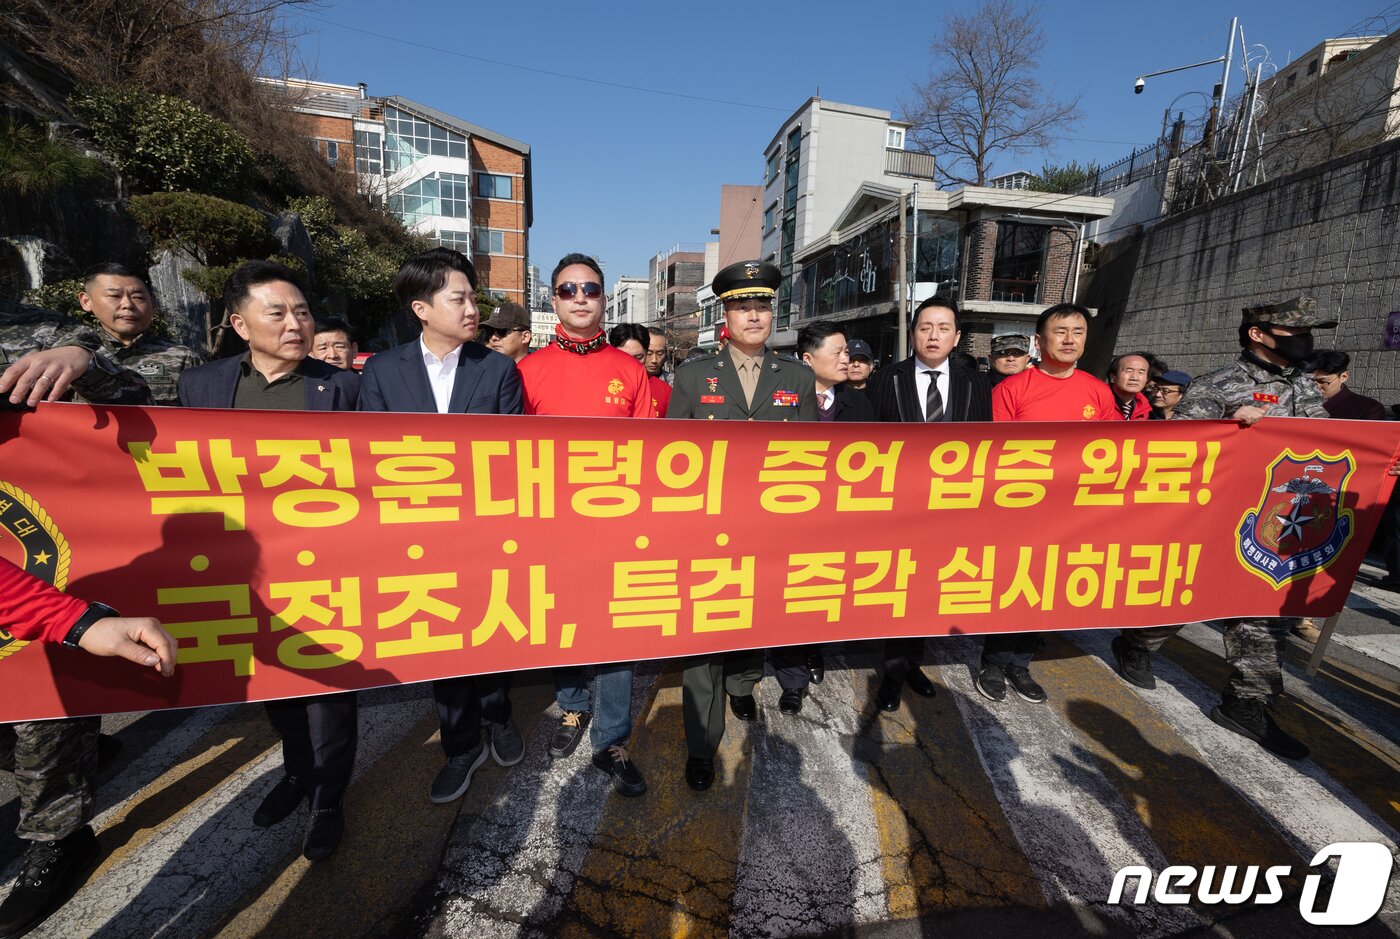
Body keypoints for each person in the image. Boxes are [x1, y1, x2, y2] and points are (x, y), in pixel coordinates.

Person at [177, 260, 361, 861]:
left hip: (327, 567)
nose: (295, 323)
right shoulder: (201, 387)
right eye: (277, 312)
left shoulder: (344, 389)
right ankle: (296, 773)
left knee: (331, 693)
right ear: (239, 323)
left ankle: (329, 796)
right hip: (244, 569)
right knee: (275, 689)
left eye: (303, 312)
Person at [1110, 297, 1335, 761]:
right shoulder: (1219, 386)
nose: (1304, 342)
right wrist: (1233, 428)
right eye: (1294, 333)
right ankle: (1137, 641)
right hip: (1220, 519)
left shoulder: (1306, 389)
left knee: (1265, 613)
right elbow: (1186, 446)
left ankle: (1246, 702)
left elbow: (1330, 444)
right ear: (1259, 334)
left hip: (1277, 526)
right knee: (1189, 595)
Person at [358, 248, 526, 804]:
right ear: (422, 309)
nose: (473, 309)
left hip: (483, 535)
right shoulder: (383, 370)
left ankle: (499, 716)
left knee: (492, 627)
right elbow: (370, 457)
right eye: (460, 298)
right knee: (443, 638)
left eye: (474, 298)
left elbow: (514, 457)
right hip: (416, 539)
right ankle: (460, 745)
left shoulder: (498, 370)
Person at [669, 259, 817, 792]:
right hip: (707, 529)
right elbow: (670, 462)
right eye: (741, 306)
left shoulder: (797, 376)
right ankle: (702, 743)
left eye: (762, 306)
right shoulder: (691, 376)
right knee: (704, 630)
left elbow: (810, 459)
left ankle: (743, 682)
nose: (753, 315)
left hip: (769, 531)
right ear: (723, 316)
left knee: (753, 617)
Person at [517, 252, 652, 798]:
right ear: (554, 301)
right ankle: (571, 707)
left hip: (617, 529)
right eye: (568, 289)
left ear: (601, 300)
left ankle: (613, 737)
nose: (580, 298)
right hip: (551, 529)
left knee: (617, 628)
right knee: (565, 621)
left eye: (590, 289)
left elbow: (651, 457)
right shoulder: (524, 372)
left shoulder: (630, 371)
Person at [0, 560, 177, 939]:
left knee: (44, 715)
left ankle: (59, 838)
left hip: (36, 632)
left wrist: (75, 620)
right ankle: (80, 758)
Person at [984, 303, 1120, 706]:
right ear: (1039, 340)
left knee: (1046, 588)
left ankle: (1020, 663)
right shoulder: (1011, 390)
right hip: (1019, 509)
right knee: (1011, 584)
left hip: (1072, 513)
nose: (1069, 339)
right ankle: (993, 661)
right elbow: (995, 453)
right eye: (1060, 331)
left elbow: (1115, 451)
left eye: (1077, 332)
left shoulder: (1098, 392)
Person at [867, 296, 992, 711]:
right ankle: (892, 671)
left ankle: (912, 663)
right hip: (899, 507)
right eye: (925, 327)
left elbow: (983, 444)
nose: (933, 335)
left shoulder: (976, 383)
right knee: (899, 587)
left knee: (928, 590)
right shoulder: (887, 379)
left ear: (956, 337)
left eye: (943, 328)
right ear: (913, 333)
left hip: (951, 507)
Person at [796, 320, 875, 688]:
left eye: (848, 353)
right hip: (795, 513)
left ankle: (823, 642)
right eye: (839, 352)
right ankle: (799, 649)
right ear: (808, 359)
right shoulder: (785, 400)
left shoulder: (859, 404)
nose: (847, 360)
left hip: (844, 513)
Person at [77, 262, 203, 404]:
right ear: (86, 301)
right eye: (114, 296)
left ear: (153, 303)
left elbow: (204, 417)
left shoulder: (183, 358)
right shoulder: (75, 355)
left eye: (138, 297)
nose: (128, 304)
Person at [610, 322, 671, 417]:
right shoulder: (597, 382)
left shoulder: (665, 390)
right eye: (624, 357)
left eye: (638, 357)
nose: (631, 363)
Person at [1311, 350, 1386, 420]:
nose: (1314, 387)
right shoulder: (1301, 403)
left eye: (1322, 381)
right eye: (1309, 380)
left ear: (1343, 377)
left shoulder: (1369, 409)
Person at [1106, 352, 1152, 420]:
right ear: (1113, 377)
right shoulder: (1098, 400)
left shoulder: (1144, 407)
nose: (1135, 378)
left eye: (1141, 372)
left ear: (1146, 380)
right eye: (1128, 371)